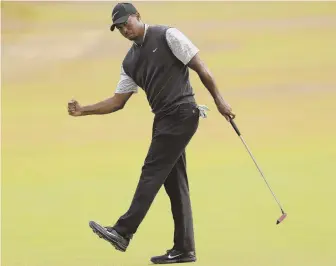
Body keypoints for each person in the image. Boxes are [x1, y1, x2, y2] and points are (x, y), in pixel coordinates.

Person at [68, 2, 235, 264]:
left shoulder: (168, 35)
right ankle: (184, 249)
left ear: (138, 16)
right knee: (175, 184)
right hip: (164, 120)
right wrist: (84, 111)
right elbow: (117, 102)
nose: (125, 29)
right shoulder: (130, 61)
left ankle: (123, 232)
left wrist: (220, 101)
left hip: (182, 113)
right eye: (120, 27)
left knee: (151, 172)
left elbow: (201, 67)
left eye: (127, 22)